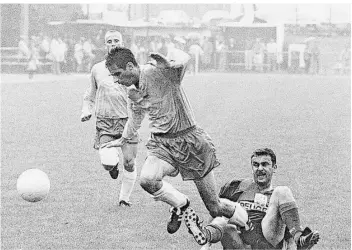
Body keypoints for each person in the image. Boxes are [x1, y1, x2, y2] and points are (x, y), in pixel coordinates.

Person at [102, 47, 239, 245]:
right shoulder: (132, 92)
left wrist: (174, 62)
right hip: (162, 144)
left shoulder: (157, 72)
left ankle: (246, 220)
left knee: (215, 207)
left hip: (189, 140)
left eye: (117, 74)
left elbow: (183, 60)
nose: (116, 80)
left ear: (130, 66)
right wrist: (124, 138)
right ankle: (182, 205)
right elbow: (136, 117)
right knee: (147, 180)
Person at [198, 148, 320, 249]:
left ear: (274, 167)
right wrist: (205, 246)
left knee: (282, 191)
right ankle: (206, 234)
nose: (259, 168)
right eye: (256, 165)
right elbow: (216, 212)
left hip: (268, 241)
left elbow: (288, 237)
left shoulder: (279, 200)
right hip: (241, 244)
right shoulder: (237, 187)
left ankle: (300, 237)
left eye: (265, 164)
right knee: (226, 223)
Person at [80, 30, 139, 207]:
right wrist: (86, 111)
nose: (113, 44)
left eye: (116, 40)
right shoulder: (97, 69)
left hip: (127, 121)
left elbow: (142, 91)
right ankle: (112, 167)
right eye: (110, 41)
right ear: (105, 45)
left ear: (123, 42)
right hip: (105, 122)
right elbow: (90, 95)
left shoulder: (132, 67)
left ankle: (124, 199)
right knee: (107, 162)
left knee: (129, 161)